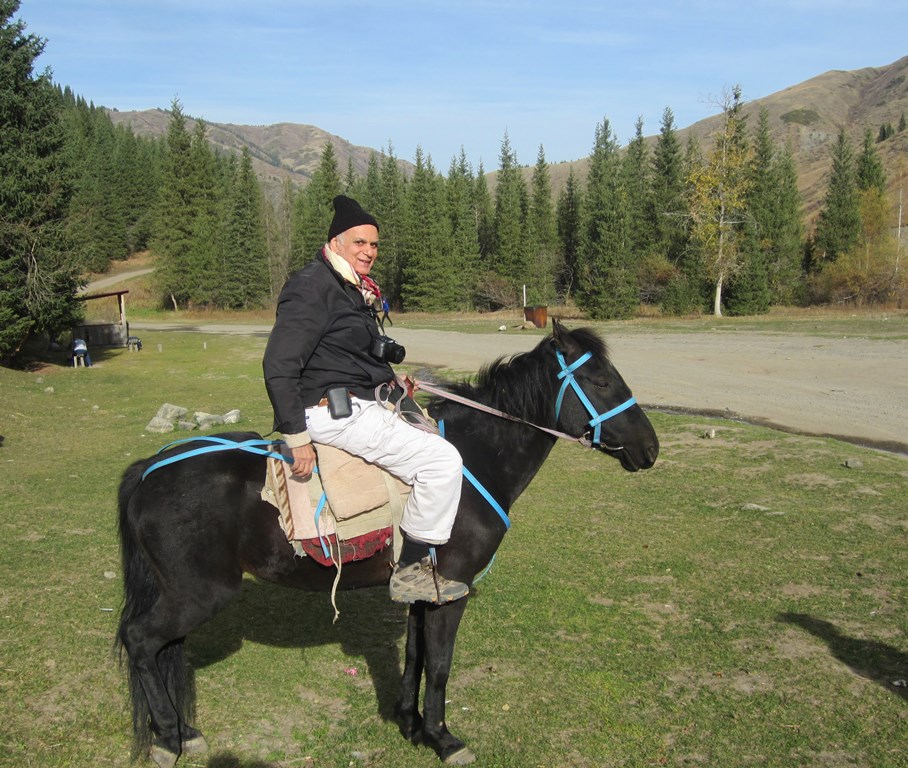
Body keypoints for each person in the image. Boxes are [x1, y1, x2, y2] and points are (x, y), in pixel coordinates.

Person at [263, 195, 468, 604]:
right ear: (336, 242)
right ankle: (410, 571)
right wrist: (296, 435)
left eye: (374, 245)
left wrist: (391, 382)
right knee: (443, 460)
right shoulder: (312, 287)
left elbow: (344, 355)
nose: (369, 252)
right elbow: (279, 362)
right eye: (360, 243)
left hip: (361, 402)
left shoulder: (349, 288)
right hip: (332, 413)